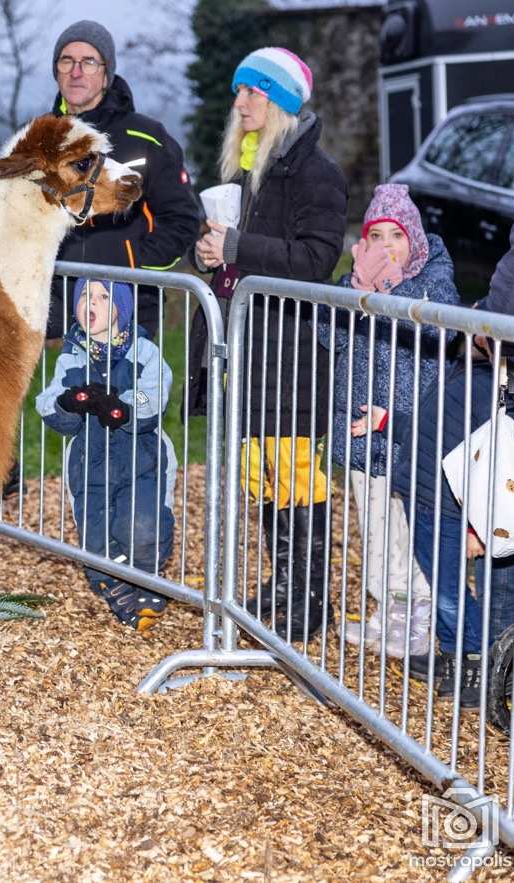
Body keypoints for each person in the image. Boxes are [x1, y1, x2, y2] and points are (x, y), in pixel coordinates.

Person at [194, 47, 347, 643]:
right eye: (239, 91)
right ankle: (284, 579)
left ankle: (311, 598)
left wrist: (236, 248)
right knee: (261, 475)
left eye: (252, 92)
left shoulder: (316, 173)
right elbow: (230, 250)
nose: (239, 103)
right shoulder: (246, 168)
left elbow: (316, 259)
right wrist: (207, 254)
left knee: (297, 478)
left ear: (279, 101)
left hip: (290, 353)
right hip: (247, 349)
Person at [358, 210, 514, 705]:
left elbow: (484, 460)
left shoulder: (492, 395)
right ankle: (457, 653)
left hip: (445, 500)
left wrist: (475, 525)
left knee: (452, 591)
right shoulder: (459, 378)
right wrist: (388, 423)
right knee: (441, 582)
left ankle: (475, 661)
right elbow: (428, 426)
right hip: (420, 487)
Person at [319, 183, 458, 659]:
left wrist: (394, 289)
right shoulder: (356, 278)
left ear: (413, 238)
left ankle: (419, 614)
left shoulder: (434, 277)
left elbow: (441, 330)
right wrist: (354, 293)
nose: (385, 246)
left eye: (395, 235)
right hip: (361, 423)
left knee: (411, 521)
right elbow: (329, 338)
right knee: (375, 521)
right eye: (375, 236)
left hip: (408, 427)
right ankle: (388, 607)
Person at [36, 279, 178, 630]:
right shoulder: (71, 356)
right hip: (90, 461)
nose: (92, 302)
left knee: (141, 525)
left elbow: (152, 395)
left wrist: (120, 407)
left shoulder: (143, 352)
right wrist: (69, 402)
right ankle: (119, 590)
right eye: (85, 295)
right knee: (96, 537)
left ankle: (145, 581)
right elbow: (48, 401)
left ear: (121, 309)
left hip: (141, 458)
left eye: (103, 297)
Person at [45, 20, 201, 340]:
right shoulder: (40, 138)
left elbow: (182, 218)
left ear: (107, 74)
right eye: (66, 61)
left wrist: (133, 266)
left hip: (126, 306)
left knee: (124, 378)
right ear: (56, 71)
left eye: (89, 61)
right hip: (54, 308)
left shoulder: (146, 137)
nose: (76, 72)